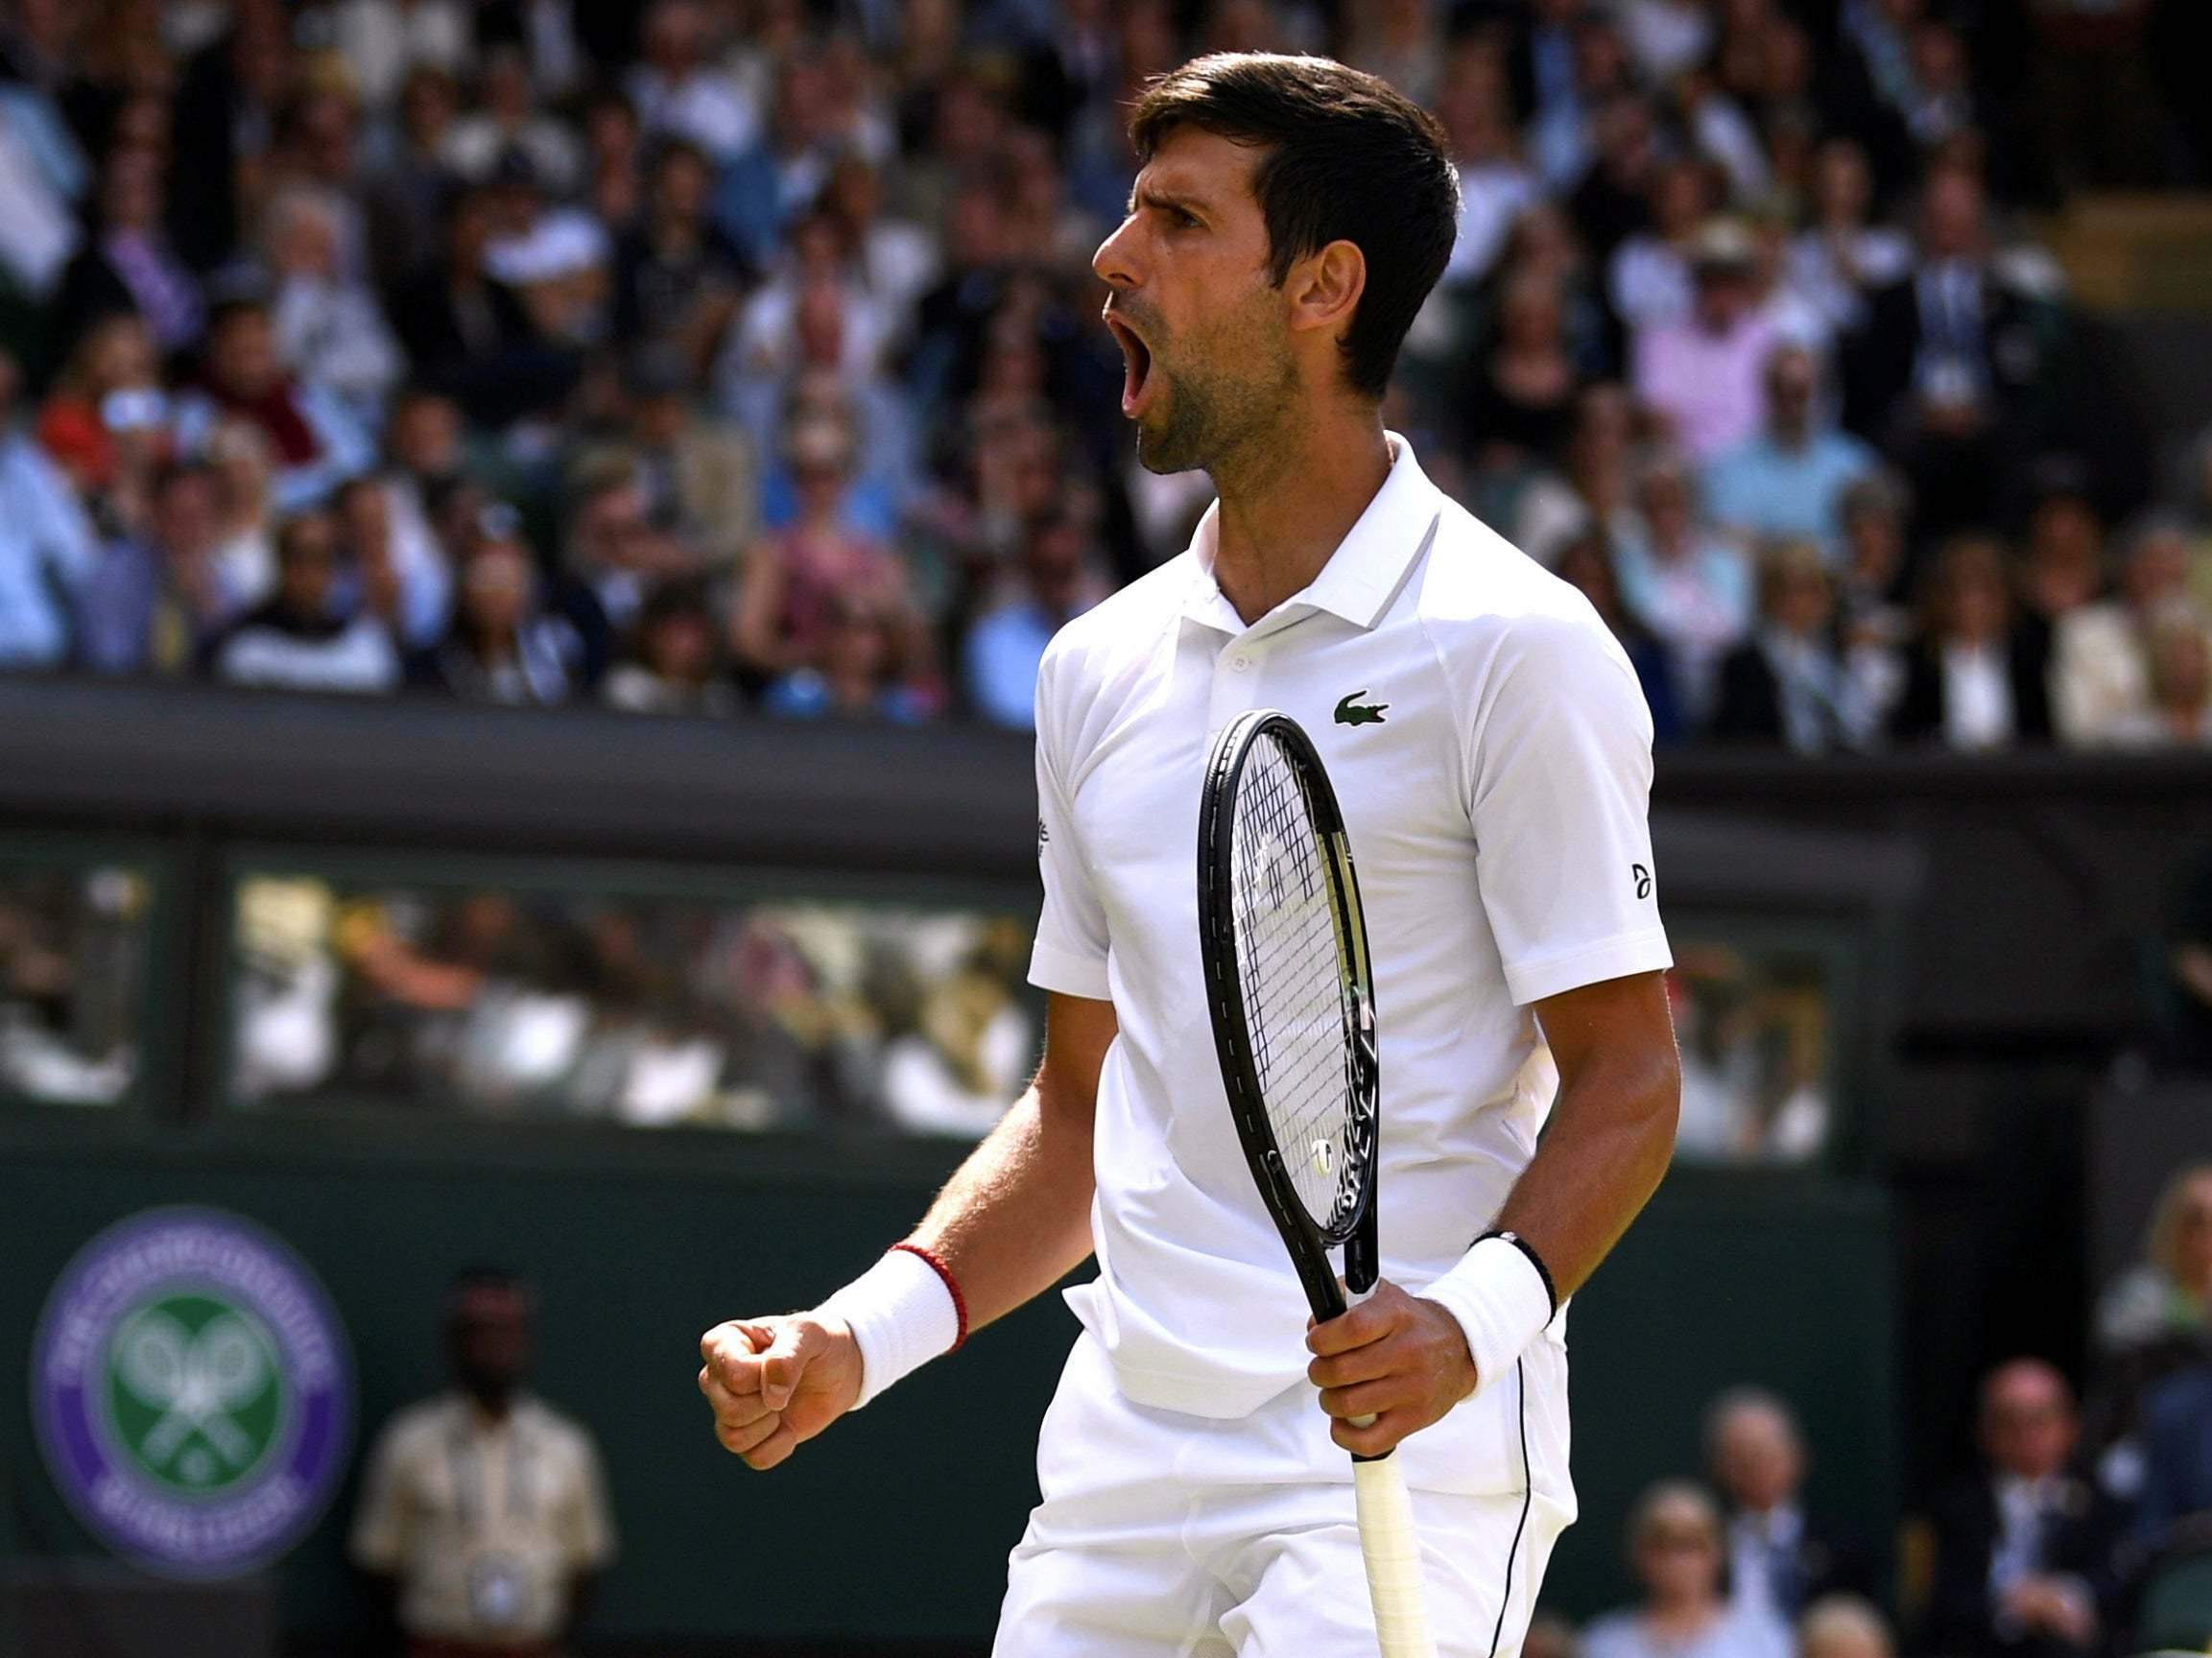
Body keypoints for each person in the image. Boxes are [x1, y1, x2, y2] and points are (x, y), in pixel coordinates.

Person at [699, 53, 1680, 1658]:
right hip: (1125, 1446)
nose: (1112, 256)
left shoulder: (1518, 646)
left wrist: (1466, 1325)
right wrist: (850, 1340)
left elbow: (1632, 1073)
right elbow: (1082, 1107)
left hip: (1402, 1454)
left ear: (1324, 285)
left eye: (1175, 218)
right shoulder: (1094, 666)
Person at [352, 1269, 616, 1658]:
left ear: (527, 1339)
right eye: (479, 1331)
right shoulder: (407, 1441)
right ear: (453, 1341)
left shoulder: (566, 1446)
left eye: (506, 1330)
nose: (494, 1345)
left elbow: (586, 1565)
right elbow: (379, 1563)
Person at [1925, 1360, 2123, 1658]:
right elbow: (1945, 1601)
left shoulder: (2105, 1507)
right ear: (1984, 1430)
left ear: (2070, 1425)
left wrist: (2064, 1599)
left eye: (2040, 1418)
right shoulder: (1957, 1510)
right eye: (2010, 1421)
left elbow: (2118, 1583)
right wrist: (2012, 1605)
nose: (2026, 1434)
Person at [1704, 1387, 1871, 1625]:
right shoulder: (1705, 1548)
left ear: (1798, 1456)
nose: (1755, 1466)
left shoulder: (1845, 1547)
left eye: (1765, 1453)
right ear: (1718, 1466)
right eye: (1740, 1456)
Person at [1582, 1482, 1792, 1658]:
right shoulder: (1603, 1643)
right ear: (1637, 1552)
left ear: (1719, 1550)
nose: (1675, 1560)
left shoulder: (1762, 1639)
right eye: (1660, 1545)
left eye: (1690, 1544)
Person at [1889, 536, 2054, 750]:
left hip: (2020, 777)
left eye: (1985, 591)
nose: (1972, 604)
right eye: (1960, 591)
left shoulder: (2030, 657)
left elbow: (2045, 735)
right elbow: (1903, 737)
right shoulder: (1918, 661)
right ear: (1940, 598)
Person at [210, 509, 401, 694]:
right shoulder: (250, 651)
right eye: (300, 559)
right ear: (281, 565)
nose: (309, 574)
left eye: (320, 560)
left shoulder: (364, 650)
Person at [1711, 542, 1875, 752]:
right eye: (1791, 591)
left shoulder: (1841, 654)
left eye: (1813, 590)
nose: (1802, 602)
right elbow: (1738, 738)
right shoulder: (1745, 663)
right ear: (1770, 595)